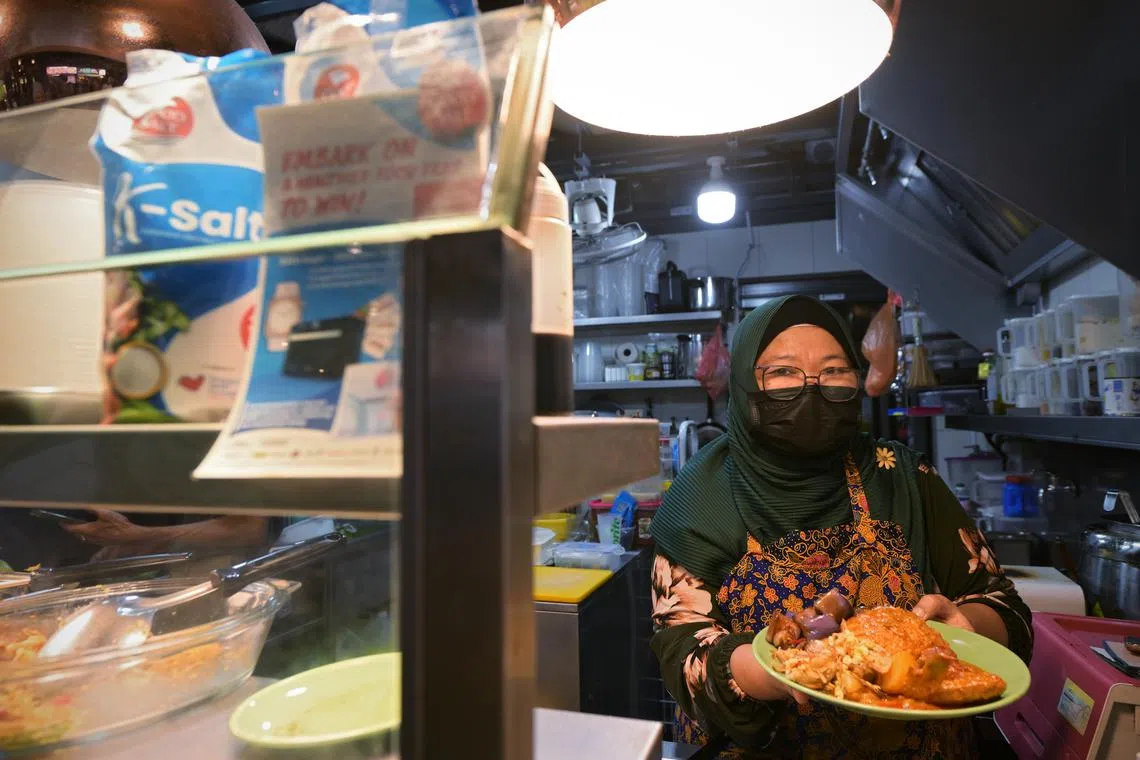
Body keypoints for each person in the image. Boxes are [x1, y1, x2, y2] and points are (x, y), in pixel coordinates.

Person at [650, 296, 1031, 759]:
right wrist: (775, 668)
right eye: (783, 372)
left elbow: (1002, 603)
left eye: (833, 371)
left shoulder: (904, 476)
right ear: (746, 384)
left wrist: (966, 624)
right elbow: (682, 654)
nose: (812, 389)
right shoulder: (702, 497)